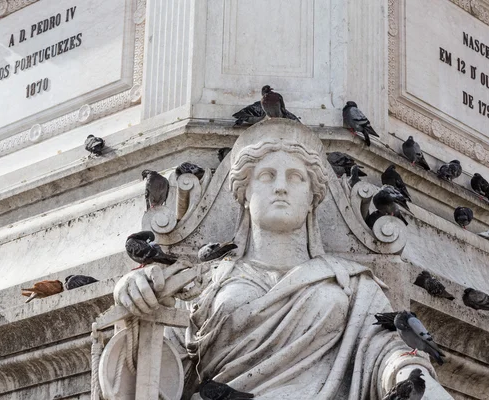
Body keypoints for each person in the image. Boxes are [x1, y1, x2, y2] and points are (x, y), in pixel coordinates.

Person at [114, 119, 452, 399]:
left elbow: (387, 351)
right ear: (244, 195)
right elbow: (162, 361)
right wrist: (139, 304)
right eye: (266, 176)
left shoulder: (352, 283)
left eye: (295, 177)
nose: (280, 187)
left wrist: (412, 376)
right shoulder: (205, 281)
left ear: (311, 198)